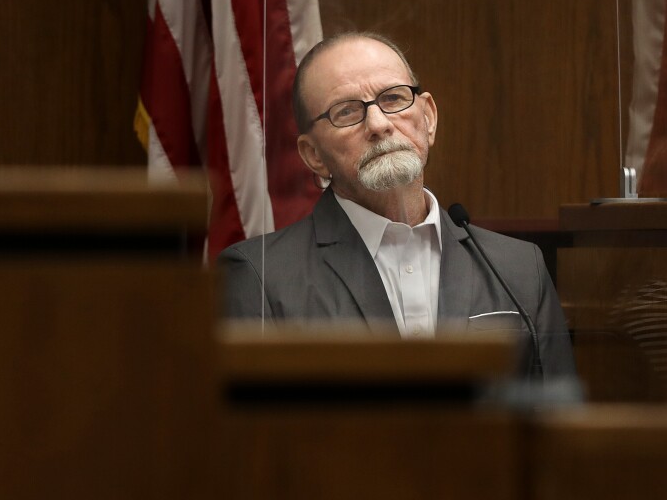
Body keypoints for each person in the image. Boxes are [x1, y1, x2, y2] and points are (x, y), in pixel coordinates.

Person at [219, 32, 575, 378]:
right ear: (314, 155)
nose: (378, 124)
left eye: (393, 99)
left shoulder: (517, 269)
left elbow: (557, 423)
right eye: (346, 112)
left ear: (429, 118)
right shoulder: (260, 276)